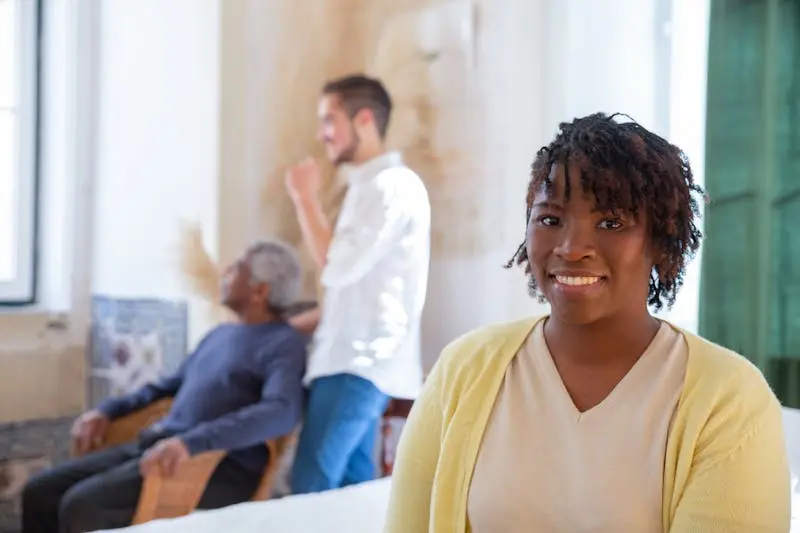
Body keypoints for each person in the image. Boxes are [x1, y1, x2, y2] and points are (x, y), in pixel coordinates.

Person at [384, 113, 790, 532]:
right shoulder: (463, 370)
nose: (572, 248)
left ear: (660, 241)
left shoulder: (729, 399)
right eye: (550, 219)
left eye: (611, 222)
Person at [22, 240, 308, 533]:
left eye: (236, 269)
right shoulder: (221, 334)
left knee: (83, 506)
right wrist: (107, 411)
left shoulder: (284, 345)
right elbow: (166, 387)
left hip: (218, 465)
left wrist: (193, 442)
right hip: (162, 447)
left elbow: (281, 412)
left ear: (260, 291)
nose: (225, 273)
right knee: (40, 491)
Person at [285, 74, 430, 493]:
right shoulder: (371, 188)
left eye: (329, 120)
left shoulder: (390, 187)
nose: (321, 134)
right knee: (352, 495)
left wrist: (304, 198)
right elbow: (355, 292)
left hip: (358, 363)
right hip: (357, 362)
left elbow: (335, 266)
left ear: (363, 119)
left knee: (310, 491)